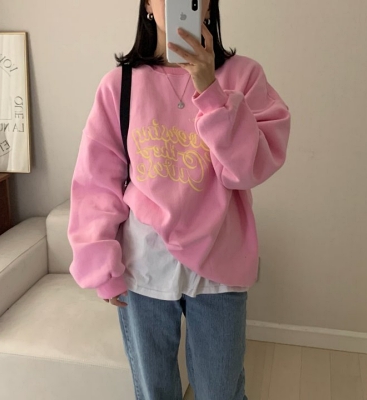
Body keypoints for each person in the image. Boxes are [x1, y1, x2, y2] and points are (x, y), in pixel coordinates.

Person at [67, 0, 291, 398]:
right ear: (147, 6)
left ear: (209, 6)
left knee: (221, 391)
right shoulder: (120, 85)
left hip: (220, 266)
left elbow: (246, 170)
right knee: (154, 391)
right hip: (143, 265)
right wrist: (101, 264)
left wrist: (210, 91)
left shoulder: (244, 76)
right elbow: (96, 182)